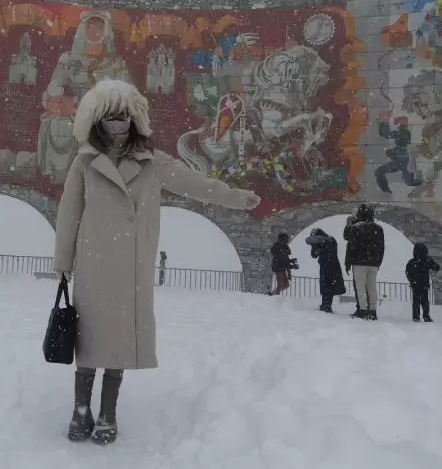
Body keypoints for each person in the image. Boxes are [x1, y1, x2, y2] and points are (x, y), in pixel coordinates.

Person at [53, 79, 259, 445]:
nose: (117, 125)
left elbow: (196, 184)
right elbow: (70, 213)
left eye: (123, 117)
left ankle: (107, 414)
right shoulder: (84, 162)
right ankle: (80, 410)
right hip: (93, 263)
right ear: (96, 121)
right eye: (109, 118)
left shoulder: (152, 162)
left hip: (131, 264)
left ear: (135, 120)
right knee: (88, 341)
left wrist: (236, 198)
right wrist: (64, 261)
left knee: (117, 340)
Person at [344, 204, 385, 320]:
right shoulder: (378, 228)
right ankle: (373, 311)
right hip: (373, 263)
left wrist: (348, 262)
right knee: (372, 288)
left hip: (359, 262)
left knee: (360, 287)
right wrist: (378, 261)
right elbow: (381, 247)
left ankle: (362, 310)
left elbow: (349, 243)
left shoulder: (355, 228)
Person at [306, 228, 345, 313]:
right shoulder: (324, 241)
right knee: (325, 286)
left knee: (328, 286)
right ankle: (325, 304)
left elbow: (331, 251)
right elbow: (314, 255)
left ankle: (327, 306)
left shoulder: (330, 240)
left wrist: (321, 249)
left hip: (332, 266)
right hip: (324, 266)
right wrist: (316, 247)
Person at [405, 243, 439, 322]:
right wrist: (430, 261)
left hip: (415, 284)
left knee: (416, 300)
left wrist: (411, 281)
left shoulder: (412, 262)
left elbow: (407, 272)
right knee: (425, 301)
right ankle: (426, 316)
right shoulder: (427, 261)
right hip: (424, 284)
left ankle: (416, 317)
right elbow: (437, 267)